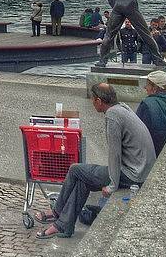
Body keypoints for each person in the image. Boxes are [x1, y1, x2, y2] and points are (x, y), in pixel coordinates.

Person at [35, 83, 155, 239]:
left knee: (75, 169)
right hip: (141, 169)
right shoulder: (123, 108)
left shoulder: (112, 116)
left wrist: (112, 185)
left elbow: (114, 154)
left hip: (133, 174)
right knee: (83, 180)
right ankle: (63, 226)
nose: (92, 103)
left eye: (93, 100)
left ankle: (57, 212)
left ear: (99, 101)